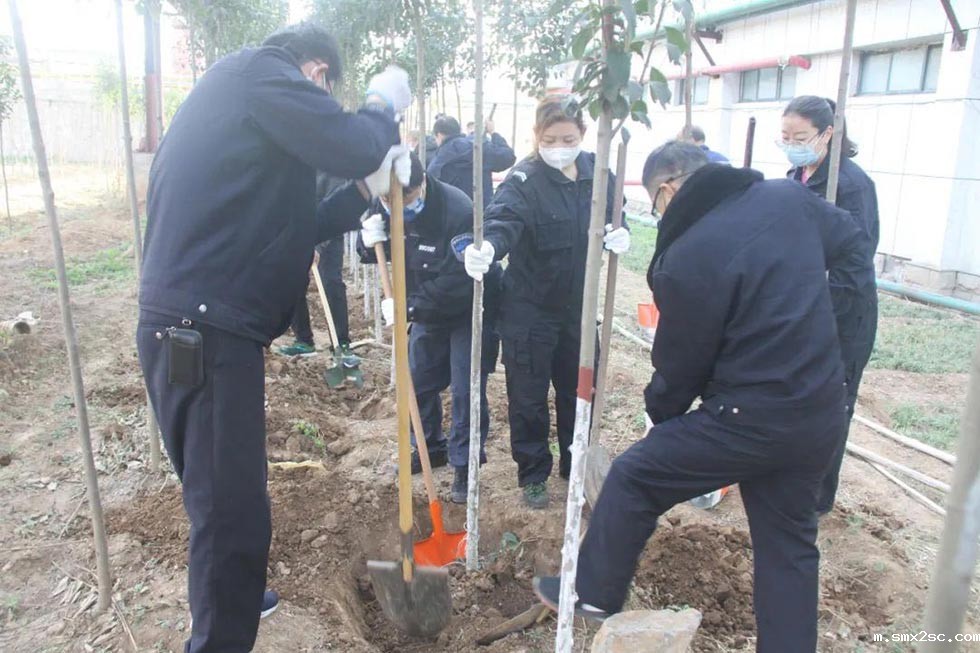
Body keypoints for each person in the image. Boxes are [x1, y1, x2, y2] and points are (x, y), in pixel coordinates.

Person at [531, 142, 875, 652]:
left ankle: (593, 591)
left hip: (747, 417)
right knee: (789, 549)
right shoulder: (788, 198)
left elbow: (680, 364)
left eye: (654, 202)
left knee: (635, 475)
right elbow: (854, 243)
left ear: (668, 190)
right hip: (819, 409)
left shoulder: (687, 256)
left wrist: (661, 415)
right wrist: (831, 325)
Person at [137, 22, 411, 653]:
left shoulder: (241, 106)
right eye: (327, 92)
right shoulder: (260, 73)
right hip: (202, 329)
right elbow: (349, 143)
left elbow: (297, 224)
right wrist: (379, 108)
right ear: (315, 74)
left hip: (192, 325)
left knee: (217, 485)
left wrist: (365, 194)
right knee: (231, 510)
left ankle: (234, 594)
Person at [463, 96, 631, 509]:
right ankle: (533, 472)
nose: (560, 146)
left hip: (578, 307)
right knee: (528, 396)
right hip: (529, 311)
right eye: (551, 138)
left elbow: (616, 213)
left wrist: (618, 229)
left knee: (579, 393)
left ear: (583, 136)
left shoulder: (599, 174)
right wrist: (487, 248)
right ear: (536, 136)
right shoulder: (525, 179)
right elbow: (505, 221)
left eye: (568, 138)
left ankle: (577, 463)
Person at [357, 153, 501, 504]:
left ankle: (465, 467)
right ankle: (429, 448)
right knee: (418, 381)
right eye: (387, 200)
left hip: (470, 308)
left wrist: (407, 306)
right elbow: (373, 251)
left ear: (421, 186)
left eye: (403, 198)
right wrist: (367, 240)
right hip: (428, 310)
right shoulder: (384, 208)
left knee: (467, 388)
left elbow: (458, 282)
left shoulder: (458, 210)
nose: (394, 206)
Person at [781, 95, 880, 515]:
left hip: (841, 313)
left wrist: (817, 303)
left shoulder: (851, 185)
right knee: (795, 395)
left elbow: (857, 256)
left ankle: (817, 498)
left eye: (799, 137)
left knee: (831, 403)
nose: (790, 144)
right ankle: (788, 476)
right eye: (784, 136)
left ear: (828, 134)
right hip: (802, 307)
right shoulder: (797, 174)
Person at [277, 174, 357, 364]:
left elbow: (334, 208)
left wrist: (317, 245)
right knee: (292, 281)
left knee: (331, 282)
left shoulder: (330, 165)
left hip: (328, 233)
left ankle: (341, 342)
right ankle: (304, 340)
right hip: (298, 230)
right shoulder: (296, 161)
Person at [427, 115, 516, 208]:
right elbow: (508, 157)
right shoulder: (479, 147)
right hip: (482, 211)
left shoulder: (441, 157)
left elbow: (430, 188)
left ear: (439, 135)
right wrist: (493, 133)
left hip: (454, 214)